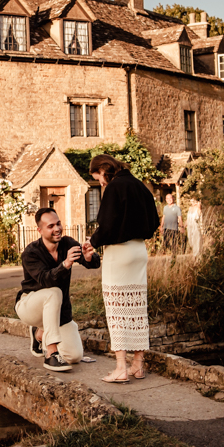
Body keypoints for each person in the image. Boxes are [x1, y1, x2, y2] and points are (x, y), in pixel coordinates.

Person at [85, 154, 159, 383]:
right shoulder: (139, 185)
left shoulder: (114, 188)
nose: (100, 182)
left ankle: (120, 368)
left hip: (119, 253)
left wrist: (92, 242)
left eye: (97, 177)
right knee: (137, 307)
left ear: (103, 170)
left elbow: (107, 225)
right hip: (139, 251)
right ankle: (137, 364)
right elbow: (155, 220)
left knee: (116, 307)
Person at [15, 207, 100, 372]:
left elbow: (93, 263)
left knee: (74, 356)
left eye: (58, 224)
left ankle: (39, 335)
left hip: (58, 310)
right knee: (54, 291)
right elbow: (46, 279)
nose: (57, 229)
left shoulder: (67, 244)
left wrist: (90, 257)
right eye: (51, 226)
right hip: (29, 305)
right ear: (39, 230)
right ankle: (51, 354)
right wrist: (65, 264)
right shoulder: (31, 253)